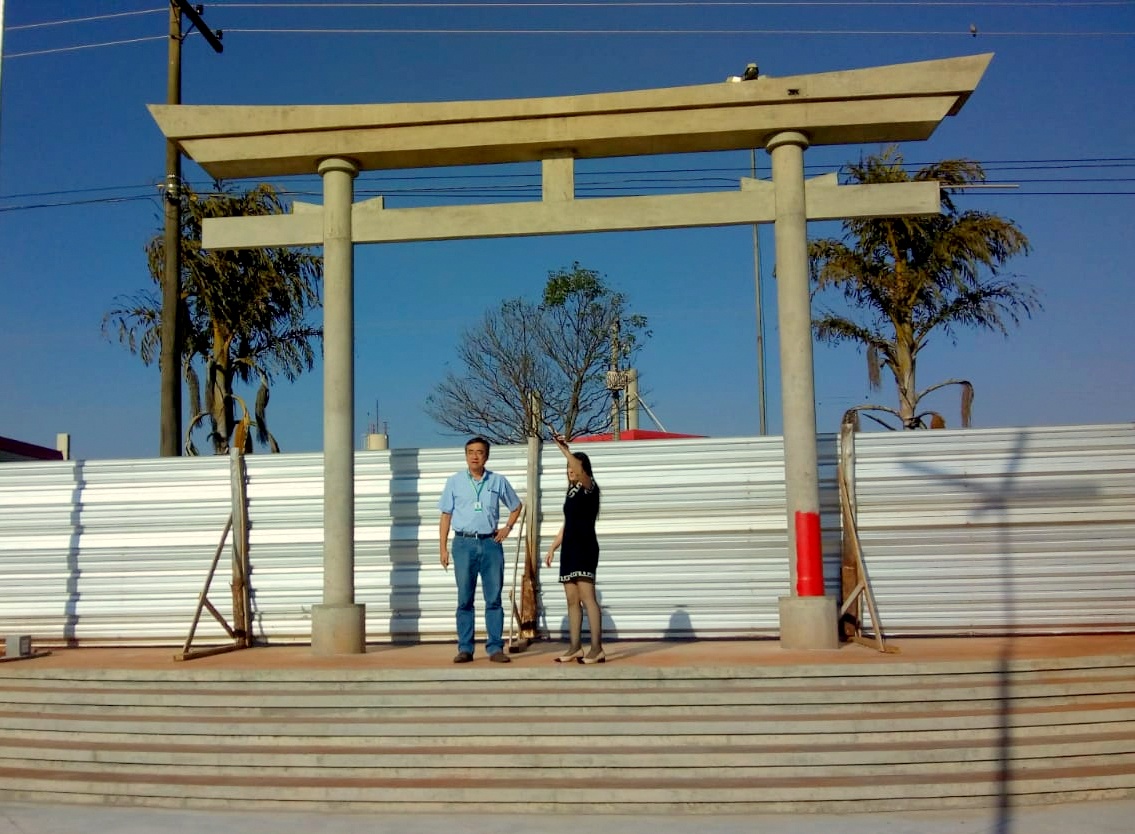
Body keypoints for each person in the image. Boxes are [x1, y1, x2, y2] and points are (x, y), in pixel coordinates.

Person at [438, 436, 523, 664]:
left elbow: (516, 506)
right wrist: (443, 548)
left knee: (493, 598)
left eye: (480, 452)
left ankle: (495, 648)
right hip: (463, 544)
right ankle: (465, 648)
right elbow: (445, 515)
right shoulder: (454, 482)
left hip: (490, 544)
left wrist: (507, 528)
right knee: (464, 598)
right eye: (470, 452)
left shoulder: (497, 481)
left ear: (487, 456)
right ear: (466, 455)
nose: (475, 456)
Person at [544, 433, 605, 663]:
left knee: (588, 597)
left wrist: (564, 449)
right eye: (568, 467)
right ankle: (575, 647)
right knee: (571, 599)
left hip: (585, 547)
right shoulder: (570, 494)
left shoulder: (590, 487)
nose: (571, 470)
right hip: (569, 548)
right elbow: (567, 525)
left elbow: (580, 471)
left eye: (574, 466)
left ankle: (597, 648)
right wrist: (552, 547)